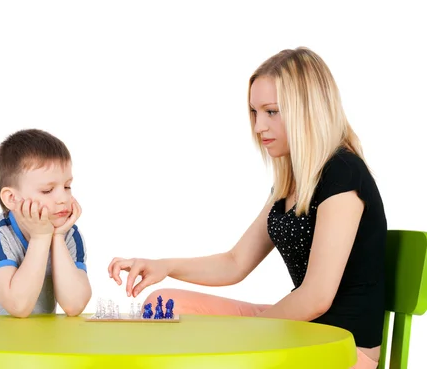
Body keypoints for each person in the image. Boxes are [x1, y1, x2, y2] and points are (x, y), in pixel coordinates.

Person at [108, 47, 386, 369]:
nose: (258, 127)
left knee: (222, 347)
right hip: (301, 331)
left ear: (307, 110)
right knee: (164, 303)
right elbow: (235, 262)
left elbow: (317, 296)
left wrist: (249, 334)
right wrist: (165, 265)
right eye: (254, 112)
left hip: (338, 345)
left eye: (271, 112)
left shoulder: (343, 173)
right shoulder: (292, 181)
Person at [0, 129, 91, 318]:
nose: (63, 198)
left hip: (34, 345)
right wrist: (40, 237)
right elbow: (18, 306)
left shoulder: (69, 234)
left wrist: (57, 237)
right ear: (12, 198)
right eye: (47, 190)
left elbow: (74, 305)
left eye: (67, 186)